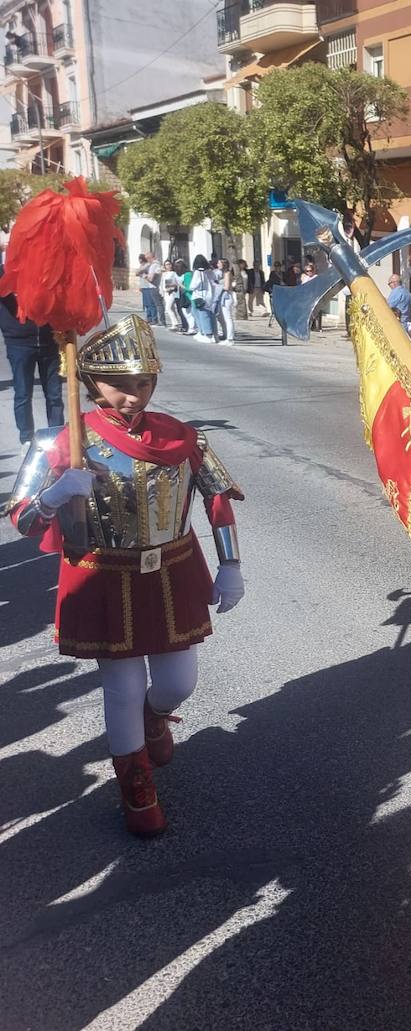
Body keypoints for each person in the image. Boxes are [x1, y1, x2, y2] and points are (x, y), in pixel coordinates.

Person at [3, 315, 245, 836]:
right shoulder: (61, 441)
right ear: (91, 383)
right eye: (120, 385)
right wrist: (55, 492)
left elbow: (218, 496)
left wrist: (230, 564)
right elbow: (22, 518)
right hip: (103, 577)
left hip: (171, 571)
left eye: (143, 383)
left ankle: (156, 717)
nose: (134, 396)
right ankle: (134, 781)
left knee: (179, 682)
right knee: (122, 685)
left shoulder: (182, 436)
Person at [1, 282, 63, 444]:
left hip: (50, 341)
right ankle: (26, 439)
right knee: (23, 394)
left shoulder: (46, 272)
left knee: (54, 396)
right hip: (18, 343)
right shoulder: (5, 274)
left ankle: (56, 438)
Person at [187, 255, 215, 342]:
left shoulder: (198, 272)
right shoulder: (209, 272)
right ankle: (202, 332)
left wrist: (188, 287)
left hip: (199, 296)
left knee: (202, 315)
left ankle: (207, 334)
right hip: (208, 295)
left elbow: (193, 286)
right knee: (198, 313)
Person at [137, 253, 163, 325]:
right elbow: (137, 272)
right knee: (147, 304)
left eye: (148, 258)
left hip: (150, 286)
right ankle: (149, 318)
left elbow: (149, 277)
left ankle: (154, 319)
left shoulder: (152, 265)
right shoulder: (146, 265)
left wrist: (143, 274)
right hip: (145, 286)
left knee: (152, 304)